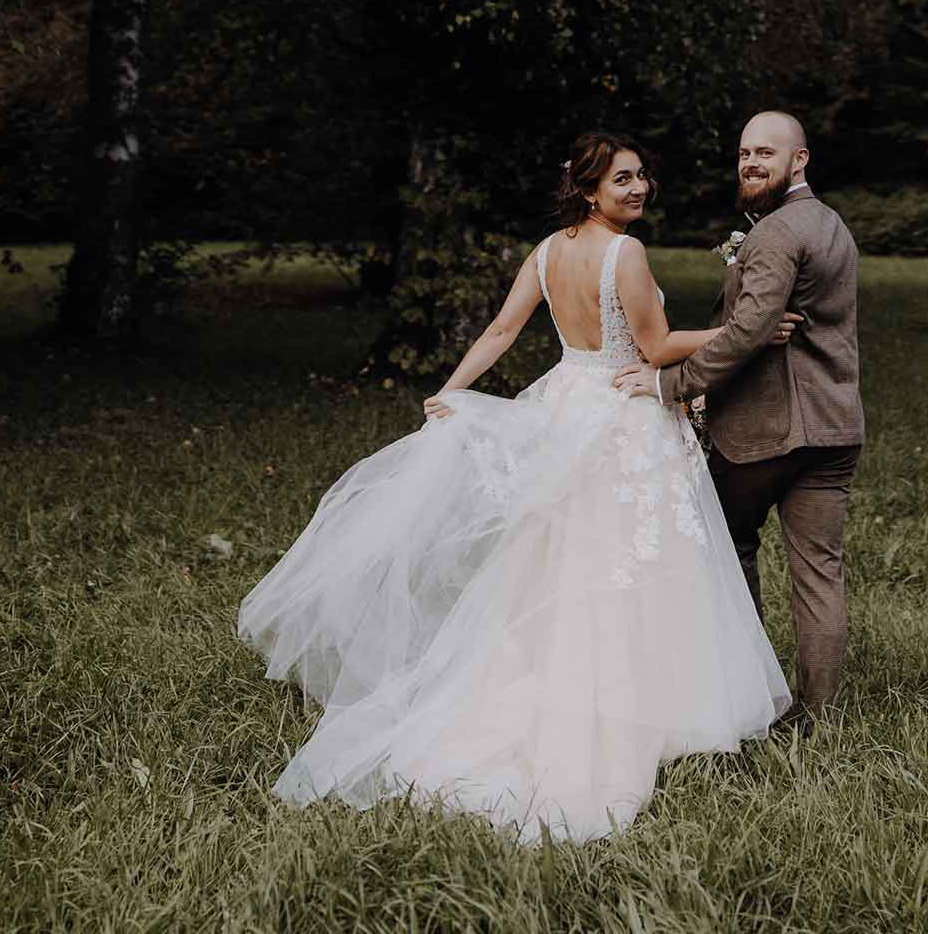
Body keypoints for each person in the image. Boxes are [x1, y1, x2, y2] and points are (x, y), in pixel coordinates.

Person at [236, 131, 797, 843]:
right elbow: (654, 350)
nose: (638, 188)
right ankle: (638, 708)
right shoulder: (625, 253)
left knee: (560, 558)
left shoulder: (547, 249)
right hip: (623, 416)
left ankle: (565, 681)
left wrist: (451, 388)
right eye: (622, 180)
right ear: (588, 190)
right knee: (633, 562)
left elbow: (503, 330)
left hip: (566, 404)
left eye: (641, 177)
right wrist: (744, 332)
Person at [615, 111, 864, 733]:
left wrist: (669, 384)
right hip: (834, 428)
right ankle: (821, 719)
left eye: (766, 153)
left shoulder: (776, 233)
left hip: (765, 432)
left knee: (729, 552)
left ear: (799, 160)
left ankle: (750, 703)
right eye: (744, 153)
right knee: (819, 574)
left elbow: (750, 329)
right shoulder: (833, 226)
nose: (751, 163)